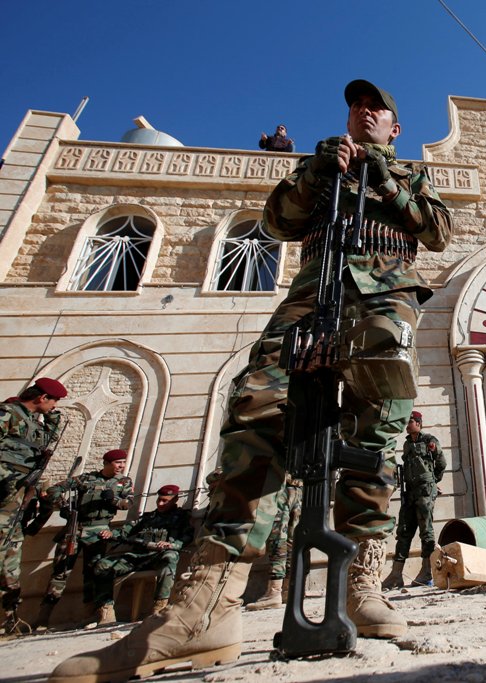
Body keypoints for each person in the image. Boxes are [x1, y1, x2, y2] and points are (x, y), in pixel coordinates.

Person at [50, 79, 453, 681]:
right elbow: (277, 222)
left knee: (379, 428)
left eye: (377, 109)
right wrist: (320, 171)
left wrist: (382, 175)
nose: (363, 113)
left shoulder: (411, 176)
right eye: (355, 106)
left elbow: (436, 231)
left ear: (394, 127)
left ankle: (360, 584)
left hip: (384, 301)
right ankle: (208, 603)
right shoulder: (320, 165)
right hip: (309, 300)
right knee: (256, 409)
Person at [33, 449, 134, 630]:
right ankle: (42, 619)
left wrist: (114, 500)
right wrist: (64, 507)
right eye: (118, 462)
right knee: (60, 573)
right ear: (107, 463)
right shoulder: (85, 479)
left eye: (123, 463)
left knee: (93, 572)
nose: (121, 466)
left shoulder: (123, 482)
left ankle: (91, 613)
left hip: (99, 531)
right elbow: (54, 489)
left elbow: (128, 503)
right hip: (75, 528)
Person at [0, 378, 66, 632]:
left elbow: (41, 451)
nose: (55, 406)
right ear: (41, 397)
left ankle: (10, 618)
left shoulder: (34, 425)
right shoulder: (9, 414)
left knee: (11, 560)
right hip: (4, 495)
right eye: (54, 400)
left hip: (16, 504)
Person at [91, 484, 194, 621]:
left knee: (170, 556)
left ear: (175, 500)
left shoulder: (181, 518)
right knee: (102, 565)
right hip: (138, 557)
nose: (161, 503)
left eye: (165, 501)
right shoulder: (148, 518)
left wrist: (171, 545)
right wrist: (110, 534)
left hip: (158, 557)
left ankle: (159, 608)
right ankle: (106, 612)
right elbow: (125, 531)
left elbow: (187, 536)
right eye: (159, 500)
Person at [383, 410, 446, 589]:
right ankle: (396, 574)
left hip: (425, 491)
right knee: (404, 530)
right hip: (410, 492)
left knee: (426, 530)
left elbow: (441, 463)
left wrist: (433, 481)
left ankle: (427, 572)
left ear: (418, 423)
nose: (407, 424)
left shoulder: (429, 441)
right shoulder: (407, 444)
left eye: (410, 421)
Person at [245, 475, 301, 610]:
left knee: (278, 539)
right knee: (294, 541)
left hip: (280, 489)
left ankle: (274, 592)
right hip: (300, 489)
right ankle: (289, 591)